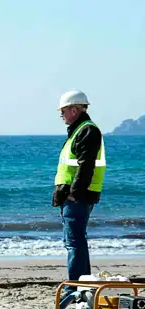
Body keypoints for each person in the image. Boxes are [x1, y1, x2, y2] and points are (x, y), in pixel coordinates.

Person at [53, 91, 106, 283]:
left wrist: (74, 194)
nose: (61, 115)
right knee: (75, 241)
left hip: (77, 197)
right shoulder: (80, 130)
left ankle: (76, 285)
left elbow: (86, 165)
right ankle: (81, 283)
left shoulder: (87, 130)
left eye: (64, 110)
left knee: (75, 243)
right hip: (73, 196)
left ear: (74, 109)